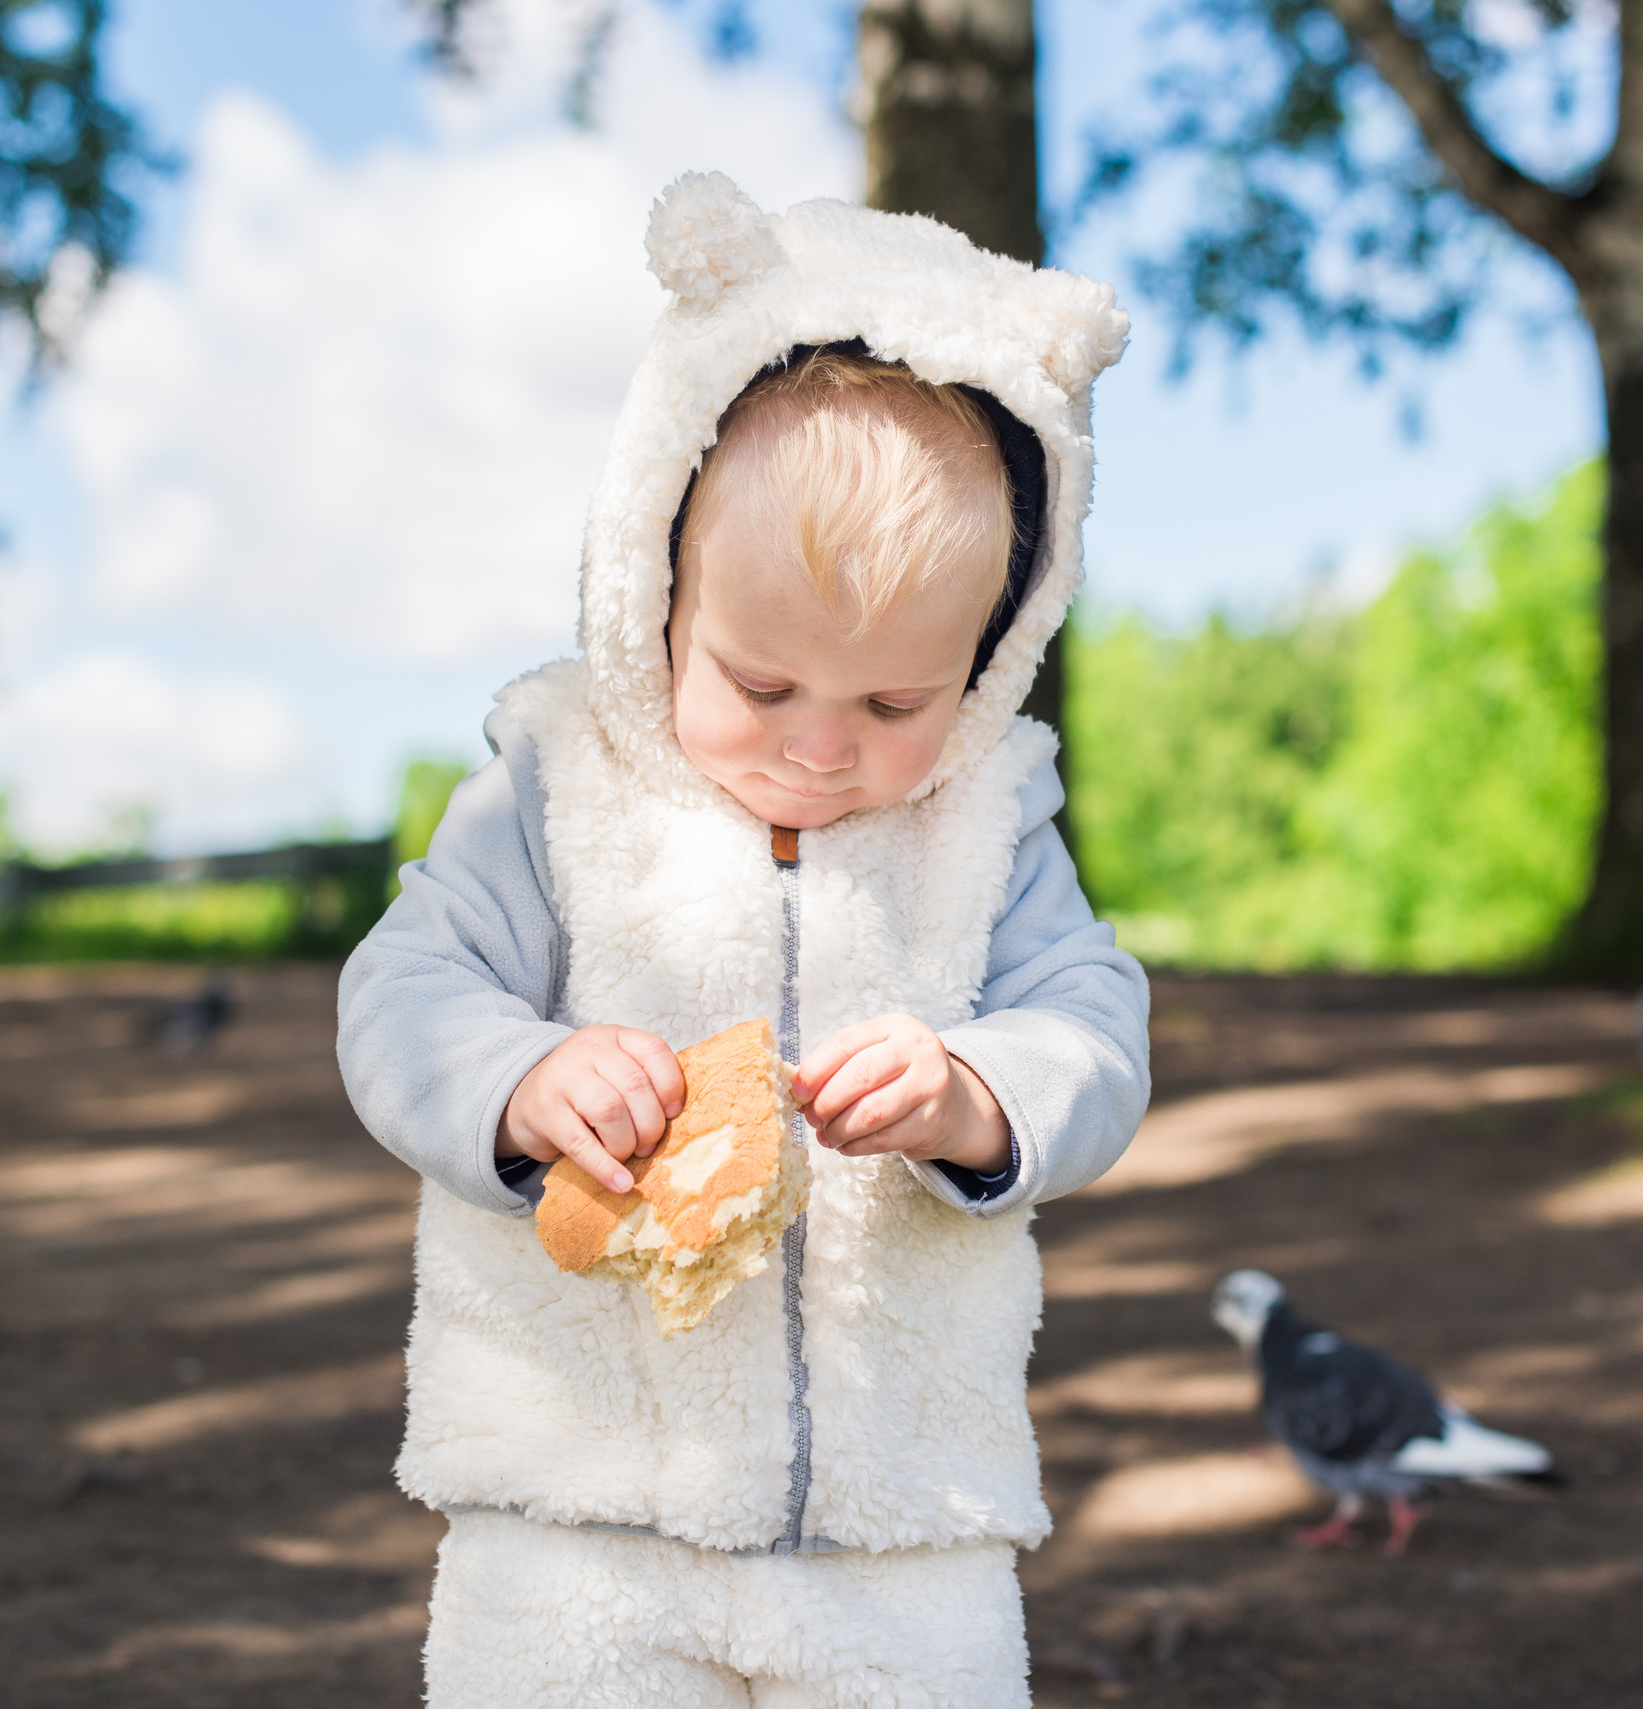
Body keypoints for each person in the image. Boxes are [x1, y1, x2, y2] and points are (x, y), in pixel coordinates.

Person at [336, 171, 1150, 1709]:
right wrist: (518, 1082)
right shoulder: (556, 786)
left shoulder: (984, 826)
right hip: (578, 1502)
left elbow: (1093, 1019)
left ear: (987, 660)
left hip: (902, 1520)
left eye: (896, 704)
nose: (822, 749)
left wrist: (980, 1094)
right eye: (763, 684)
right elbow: (404, 990)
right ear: (653, 578)